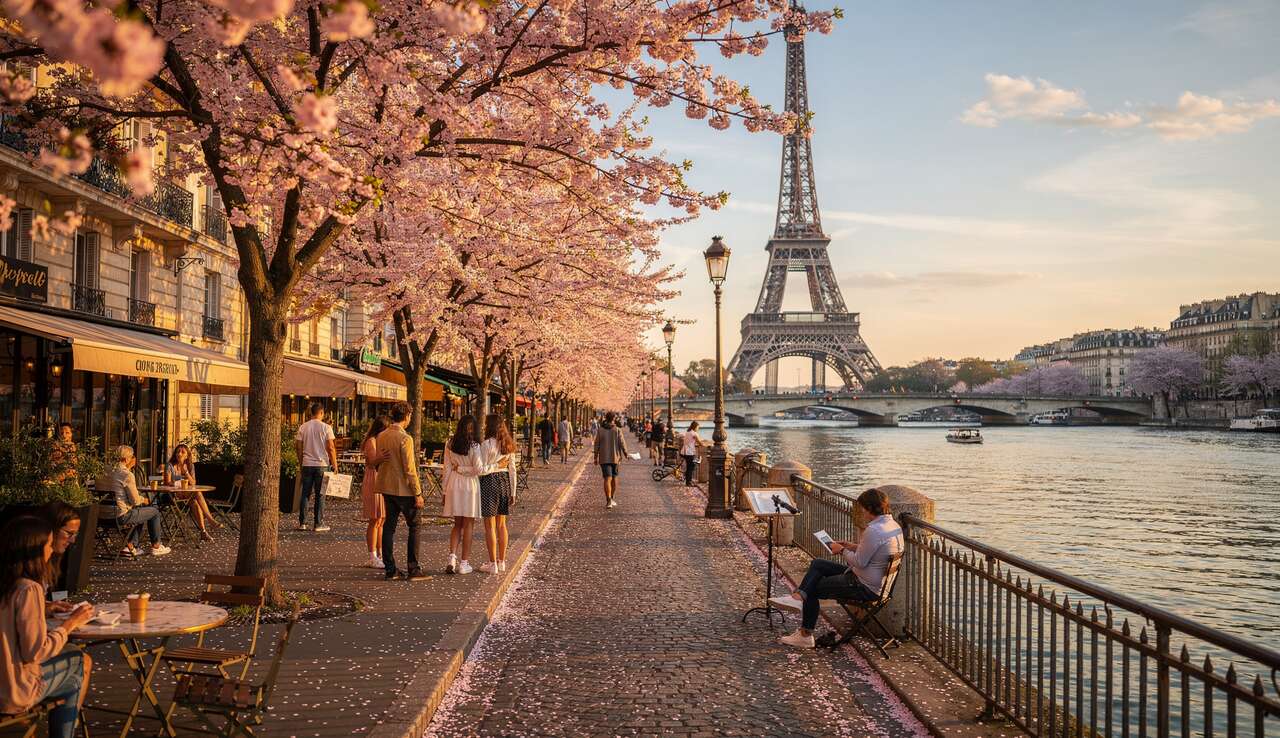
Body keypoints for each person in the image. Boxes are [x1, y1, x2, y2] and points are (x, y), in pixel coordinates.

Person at [771, 487, 903, 648]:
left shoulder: (874, 530)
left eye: (862, 509)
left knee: (813, 588)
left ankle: (805, 635)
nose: (861, 513)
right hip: (878, 584)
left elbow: (859, 562)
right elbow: (873, 553)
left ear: (869, 508)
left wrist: (841, 550)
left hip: (864, 586)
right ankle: (798, 597)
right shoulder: (892, 525)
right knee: (818, 563)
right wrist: (851, 546)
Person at [0, 516, 95, 738]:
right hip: (12, 691)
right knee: (79, 663)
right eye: (47, 545)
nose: (51, 551)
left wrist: (45, 608)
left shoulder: (7, 583)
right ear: (34, 549)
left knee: (73, 660)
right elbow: (36, 651)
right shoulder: (28, 589)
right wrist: (72, 623)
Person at [375, 403, 425, 581]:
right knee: (415, 525)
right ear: (407, 416)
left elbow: (379, 460)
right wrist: (417, 493)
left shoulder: (382, 435)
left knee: (389, 526)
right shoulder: (405, 439)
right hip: (403, 489)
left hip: (386, 486)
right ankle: (413, 568)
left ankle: (390, 569)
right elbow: (410, 468)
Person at [97, 446, 170, 557]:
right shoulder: (127, 474)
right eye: (131, 457)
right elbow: (135, 501)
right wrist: (144, 500)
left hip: (101, 515)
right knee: (154, 511)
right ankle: (156, 546)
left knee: (140, 511)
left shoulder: (103, 471)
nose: (133, 459)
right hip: (119, 516)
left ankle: (131, 546)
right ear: (126, 459)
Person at [477, 414, 517, 574]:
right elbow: (512, 469)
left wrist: (494, 465)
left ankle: (492, 563)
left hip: (489, 481)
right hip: (505, 481)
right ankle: (502, 561)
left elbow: (481, 469)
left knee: (489, 526)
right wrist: (513, 492)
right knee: (502, 525)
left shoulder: (486, 445)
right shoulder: (508, 444)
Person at [443, 415, 482, 574]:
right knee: (468, 525)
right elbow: (478, 468)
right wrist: (464, 469)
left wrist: (444, 491)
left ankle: (452, 557)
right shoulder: (475, 446)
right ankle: (464, 563)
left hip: (454, 483)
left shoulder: (450, 443)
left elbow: (446, 469)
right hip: (469, 485)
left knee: (457, 524)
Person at [163, 444, 220, 541]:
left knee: (195, 502)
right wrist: (179, 482)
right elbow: (167, 482)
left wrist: (185, 472)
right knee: (197, 493)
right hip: (174, 496)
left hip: (187, 495)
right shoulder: (170, 465)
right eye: (178, 451)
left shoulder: (190, 466)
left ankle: (203, 532)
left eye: (182, 452)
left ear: (187, 456)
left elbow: (193, 482)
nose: (179, 454)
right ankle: (210, 519)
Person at [295, 402, 337, 532]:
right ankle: (318, 523)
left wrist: (301, 461)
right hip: (322, 465)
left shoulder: (303, 427)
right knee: (320, 494)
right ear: (321, 413)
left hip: (307, 464)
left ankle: (303, 522)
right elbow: (330, 447)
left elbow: (298, 446)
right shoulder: (326, 428)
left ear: (311, 413)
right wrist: (335, 464)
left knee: (305, 493)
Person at [359, 415, 390, 570]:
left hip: (382, 479)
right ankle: (372, 555)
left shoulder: (380, 441)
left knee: (381, 519)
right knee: (374, 518)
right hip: (373, 479)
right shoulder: (371, 441)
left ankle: (380, 552)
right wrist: (382, 457)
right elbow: (371, 461)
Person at [591, 411, 629, 509]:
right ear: (613, 419)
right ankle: (611, 497)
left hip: (603, 458)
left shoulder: (600, 430)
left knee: (607, 478)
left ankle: (608, 500)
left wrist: (595, 457)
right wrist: (626, 453)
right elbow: (622, 443)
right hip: (615, 457)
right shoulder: (617, 430)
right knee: (614, 477)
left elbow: (596, 444)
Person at [42, 502, 80, 599]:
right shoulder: (28, 566)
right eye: (69, 533)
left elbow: (52, 596)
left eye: (75, 534)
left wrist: (50, 605)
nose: (73, 540)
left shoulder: (57, 558)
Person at [680, 421, 700, 486]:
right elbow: (699, 442)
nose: (698, 428)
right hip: (690, 452)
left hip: (684, 452)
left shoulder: (687, 432)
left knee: (689, 467)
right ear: (695, 427)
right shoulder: (694, 433)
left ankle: (687, 480)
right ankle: (688, 482)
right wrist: (703, 445)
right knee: (691, 467)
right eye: (698, 427)